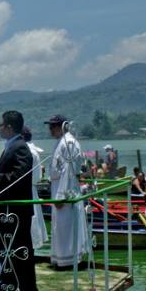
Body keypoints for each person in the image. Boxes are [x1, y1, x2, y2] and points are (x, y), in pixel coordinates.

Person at [0, 111, 37, 291]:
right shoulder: (10, 146)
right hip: (7, 207)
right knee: (6, 248)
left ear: (8, 127)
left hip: (16, 208)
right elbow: (9, 172)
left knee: (21, 249)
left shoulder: (20, 147)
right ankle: (7, 286)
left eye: (1, 124)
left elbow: (20, 176)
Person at [45, 115, 89, 270]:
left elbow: (69, 171)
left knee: (67, 225)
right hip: (58, 185)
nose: (50, 130)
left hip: (65, 189)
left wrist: (61, 196)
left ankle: (68, 260)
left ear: (60, 126)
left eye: (52, 127)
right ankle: (62, 258)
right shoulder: (61, 142)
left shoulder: (68, 143)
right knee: (61, 226)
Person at [22, 127, 49, 249]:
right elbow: (37, 177)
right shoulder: (34, 152)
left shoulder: (21, 151)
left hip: (24, 191)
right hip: (31, 190)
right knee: (32, 222)